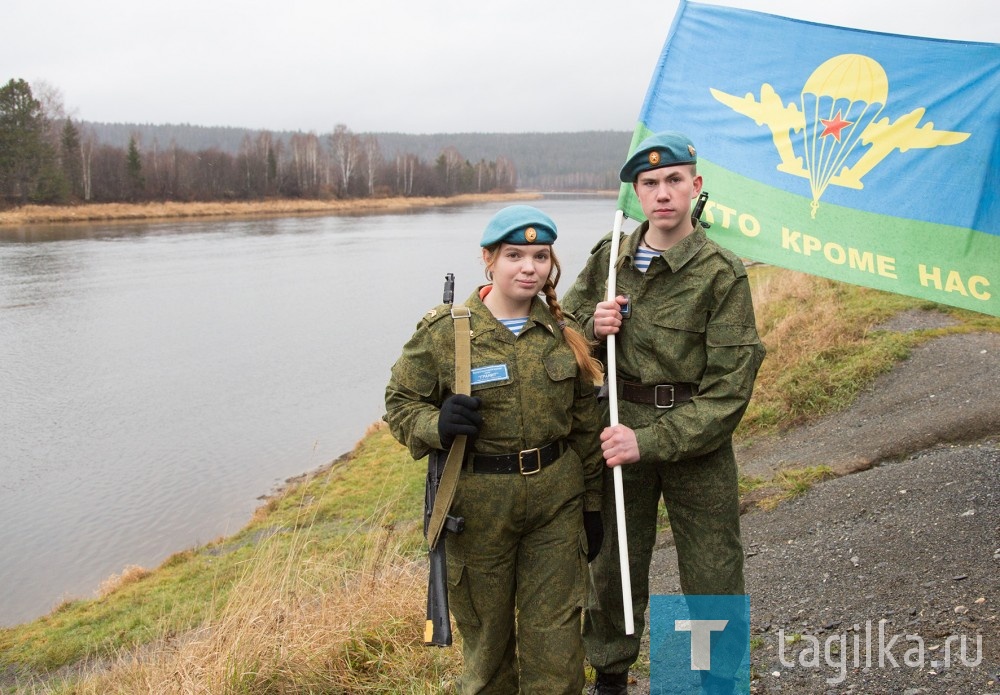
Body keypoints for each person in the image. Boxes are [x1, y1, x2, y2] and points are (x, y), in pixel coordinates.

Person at [562, 132, 766, 694]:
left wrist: (649, 442)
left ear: (695, 186)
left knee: (712, 568)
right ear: (636, 193)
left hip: (693, 438)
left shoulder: (721, 273)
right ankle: (611, 674)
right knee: (613, 564)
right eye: (649, 183)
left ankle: (713, 678)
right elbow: (564, 333)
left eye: (674, 180)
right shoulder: (611, 259)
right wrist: (590, 326)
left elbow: (729, 391)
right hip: (617, 424)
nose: (663, 193)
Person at [384, 204, 607, 694]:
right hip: (479, 512)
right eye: (514, 255)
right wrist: (435, 424)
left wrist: (592, 505)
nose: (528, 267)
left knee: (557, 648)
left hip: (556, 507)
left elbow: (585, 429)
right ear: (488, 260)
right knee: (488, 653)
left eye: (540, 256)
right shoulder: (448, 332)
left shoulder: (559, 332)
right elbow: (399, 404)